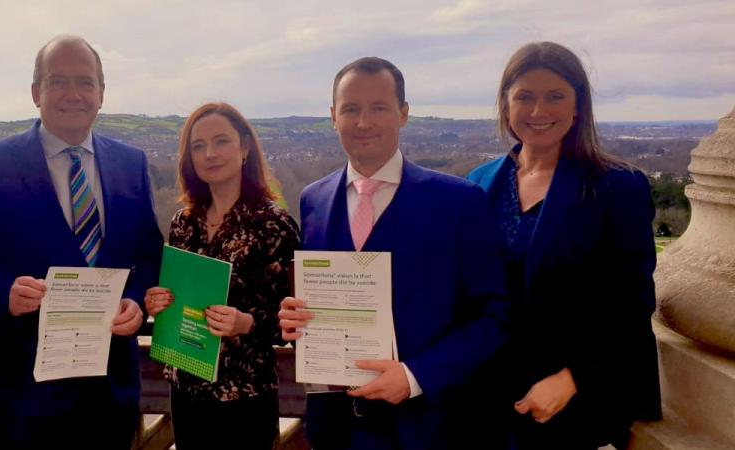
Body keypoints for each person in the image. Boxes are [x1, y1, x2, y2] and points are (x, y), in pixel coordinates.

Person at [277, 57, 510, 449]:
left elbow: (495, 316)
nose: (363, 122)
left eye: (379, 108)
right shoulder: (313, 199)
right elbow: (320, 302)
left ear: (403, 114)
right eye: (351, 109)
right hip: (336, 428)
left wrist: (416, 376)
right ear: (333, 117)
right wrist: (295, 320)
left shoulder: (459, 202)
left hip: (428, 428)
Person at [0, 34, 163, 449]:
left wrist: (138, 301)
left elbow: (149, 256)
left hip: (111, 392)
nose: (73, 94)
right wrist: (3, 294)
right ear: (36, 92)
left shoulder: (131, 163)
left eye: (85, 82)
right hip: (25, 396)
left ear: (101, 94)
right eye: (58, 81)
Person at [465, 42, 660, 449]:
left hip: (573, 404)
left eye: (555, 96)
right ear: (505, 105)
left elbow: (631, 304)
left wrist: (574, 379)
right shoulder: (478, 183)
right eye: (525, 97)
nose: (539, 112)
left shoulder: (617, 187)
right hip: (487, 400)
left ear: (578, 107)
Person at [142, 102, 299, 449]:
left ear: (244, 148)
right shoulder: (183, 223)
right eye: (198, 146)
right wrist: (157, 302)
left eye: (221, 141)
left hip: (244, 396)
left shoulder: (273, 224)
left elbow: (292, 323)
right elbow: (176, 297)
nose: (210, 154)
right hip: (186, 387)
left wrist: (246, 323)